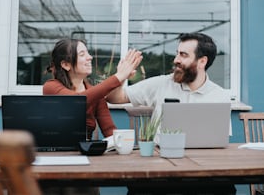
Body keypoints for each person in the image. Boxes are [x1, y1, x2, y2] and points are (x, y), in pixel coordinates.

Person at [107, 32, 235, 195]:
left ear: (202, 61)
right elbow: (114, 98)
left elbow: (220, 143)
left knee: (224, 188)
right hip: (160, 169)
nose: (176, 60)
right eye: (177, 53)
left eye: (183, 55)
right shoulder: (161, 84)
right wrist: (121, 76)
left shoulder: (220, 95)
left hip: (203, 169)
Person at [43, 38, 142, 140]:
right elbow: (76, 101)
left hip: (86, 153)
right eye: (82, 54)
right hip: (56, 154)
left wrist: (124, 143)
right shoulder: (51, 87)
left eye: (88, 53)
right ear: (66, 65)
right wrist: (118, 76)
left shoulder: (97, 95)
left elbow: (110, 132)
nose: (90, 57)